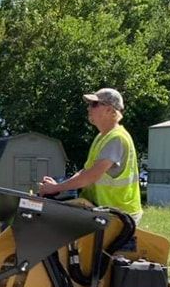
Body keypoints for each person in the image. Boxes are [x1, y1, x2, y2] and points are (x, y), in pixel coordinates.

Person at [38, 88, 144, 225]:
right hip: (105, 211)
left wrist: (55, 188)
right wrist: (59, 185)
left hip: (120, 216)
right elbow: (85, 171)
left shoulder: (116, 138)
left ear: (110, 110)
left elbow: (90, 176)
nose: (89, 108)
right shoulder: (102, 137)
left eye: (94, 104)